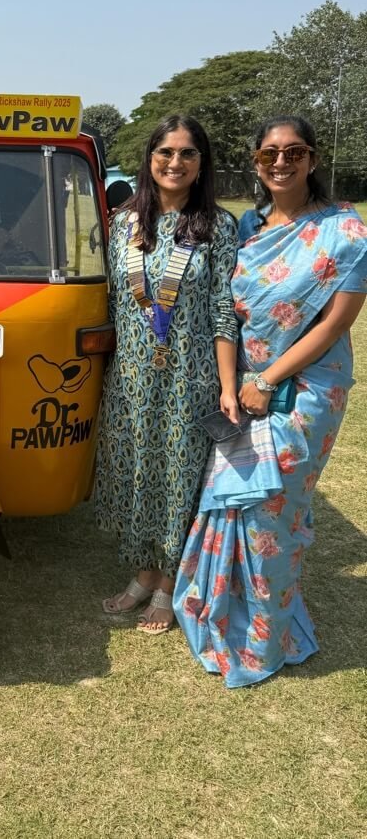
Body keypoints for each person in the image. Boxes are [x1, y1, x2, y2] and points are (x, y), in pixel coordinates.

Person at [173, 116, 367, 686]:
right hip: (245, 389)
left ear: (312, 159)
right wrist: (233, 386)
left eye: (294, 152)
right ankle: (230, 609)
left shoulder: (345, 231)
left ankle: (264, 638)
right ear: (257, 162)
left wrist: (267, 381)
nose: (281, 162)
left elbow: (333, 325)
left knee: (274, 511)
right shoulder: (247, 228)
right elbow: (227, 315)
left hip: (307, 393)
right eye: (269, 154)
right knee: (234, 501)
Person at [92, 115, 239, 633]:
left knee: (179, 479)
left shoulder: (218, 226)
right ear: (149, 158)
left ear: (201, 163)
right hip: (131, 378)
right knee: (136, 473)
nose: (175, 162)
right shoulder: (123, 223)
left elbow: (223, 309)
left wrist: (228, 387)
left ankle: (171, 581)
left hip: (189, 380)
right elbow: (112, 300)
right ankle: (143, 572)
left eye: (187, 153)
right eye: (165, 152)